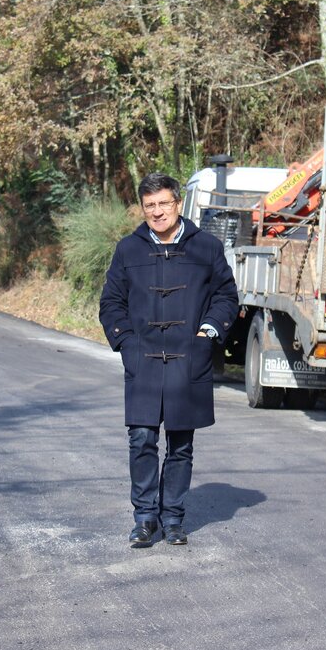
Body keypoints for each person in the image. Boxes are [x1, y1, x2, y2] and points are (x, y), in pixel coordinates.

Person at [100, 173, 239, 547]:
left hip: (187, 360)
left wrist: (207, 335)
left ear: (178, 204)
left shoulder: (206, 247)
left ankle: (174, 519)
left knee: (181, 444)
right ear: (143, 209)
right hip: (142, 359)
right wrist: (126, 344)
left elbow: (226, 296)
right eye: (150, 206)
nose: (157, 212)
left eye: (163, 203)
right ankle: (145, 518)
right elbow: (111, 304)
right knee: (141, 439)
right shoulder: (128, 249)